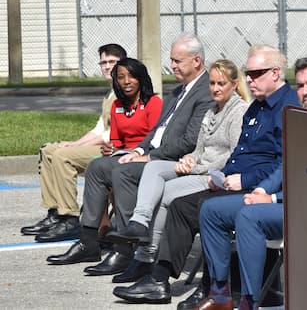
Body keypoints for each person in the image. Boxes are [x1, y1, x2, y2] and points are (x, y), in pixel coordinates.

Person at [111, 44, 299, 307]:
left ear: (276, 73)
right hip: (229, 180)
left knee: (201, 207)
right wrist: (222, 174)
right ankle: (161, 278)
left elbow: (285, 162)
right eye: (248, 73)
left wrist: (244, 181)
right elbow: (238, 153)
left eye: (256, 73)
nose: (249, 79)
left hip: (259, 190)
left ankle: (211, 288)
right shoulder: (258, 106)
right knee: (180, 205)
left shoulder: (287, 108)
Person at [46, 34, 215, 279]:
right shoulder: (178, 91)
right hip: (152, 153)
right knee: (99, 167)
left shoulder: (205, 91)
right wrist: (137, 150)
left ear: (197, 60)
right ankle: (89, 241)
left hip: (175, 160)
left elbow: (190, 140)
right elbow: (158, 130)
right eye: (172, 60)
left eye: (178, 61)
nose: (173, 65)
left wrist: (149, 157)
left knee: (122, 171)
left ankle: (126, 249)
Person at [198, 57, 307, 310]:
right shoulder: (303, 119)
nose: (305, 91)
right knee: (211, 211)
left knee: (249, 216)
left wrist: (274, 199)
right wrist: (262, 189)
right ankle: (221, 294)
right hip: (290, 201)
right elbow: (284, 165)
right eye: (299, 86)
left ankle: (250, 301)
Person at [105, 59, 250, 284]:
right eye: (212, 83)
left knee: (167, 192)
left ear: (234, 84)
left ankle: (147, 256)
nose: (215, 88)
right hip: (198, 166)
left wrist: (197, 166)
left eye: (221, 83)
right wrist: (188, 159)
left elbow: (232, 155)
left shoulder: (238, 111)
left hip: (213, 175)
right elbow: (200, 148)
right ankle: (139, 222)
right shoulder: (212, 110)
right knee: (153, 167)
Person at [20, 43, 127, 243]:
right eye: (103, 62)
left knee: (62, 156)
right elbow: (98, 128)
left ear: (123, 63)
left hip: (114, 150)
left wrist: (74, 147)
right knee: (49, 150)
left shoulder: (124, 90)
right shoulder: (110, 92)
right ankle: (56, 212)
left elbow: (109, 134)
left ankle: (69, 218)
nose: (107, 66)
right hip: (103, 142)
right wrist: (74, 143)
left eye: (112, 62)